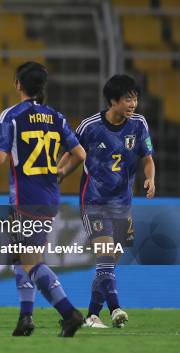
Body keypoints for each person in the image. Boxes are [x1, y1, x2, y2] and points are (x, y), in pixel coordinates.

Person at [0, 61, 86, 337]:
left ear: (18, 84)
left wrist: (3, 145)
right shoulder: (56, 117)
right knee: (21, 259)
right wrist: (60, 171)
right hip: (48, 195)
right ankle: (26, 317)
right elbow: (80, 154)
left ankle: (69, 313)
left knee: (31, 261)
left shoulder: (11, 115)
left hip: (24, 198)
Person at [57, 74, 155, 329]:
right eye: (127, 99)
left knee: (110, 262)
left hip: (123, 204)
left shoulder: (139, 124)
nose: (133, 104)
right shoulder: (91, 126)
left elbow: (147, 157)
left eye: (135, 98)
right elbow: (72, 154)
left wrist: (150, 179)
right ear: (113, 101)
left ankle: (92, 315)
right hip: (94, 202)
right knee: (105, 256)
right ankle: (116, 308)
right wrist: (58, 174)